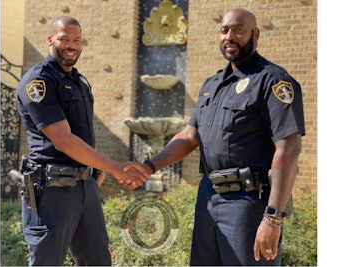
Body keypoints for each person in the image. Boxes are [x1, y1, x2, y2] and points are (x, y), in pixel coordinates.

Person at [125, 8, 305, 266]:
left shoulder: (272, 81)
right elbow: (189, 137)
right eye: (224, 30)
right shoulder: (212, 85)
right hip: (209, 198)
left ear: (255, 35)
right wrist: (148, 166)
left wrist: (272, 218)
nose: (230, 36)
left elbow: (289, 150)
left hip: (249, 202)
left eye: (238, 30)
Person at [16, 15, 148, 266]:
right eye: (64, 39)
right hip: (52, 189)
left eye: (77, 40)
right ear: (50, 40)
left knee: (97, 261)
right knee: (47, 262)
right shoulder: (39, 81)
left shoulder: (79, 82)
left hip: (84, 187)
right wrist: (115, 168)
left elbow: (83, 133)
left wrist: (95, 169)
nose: (71, 45)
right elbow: (63, 140)